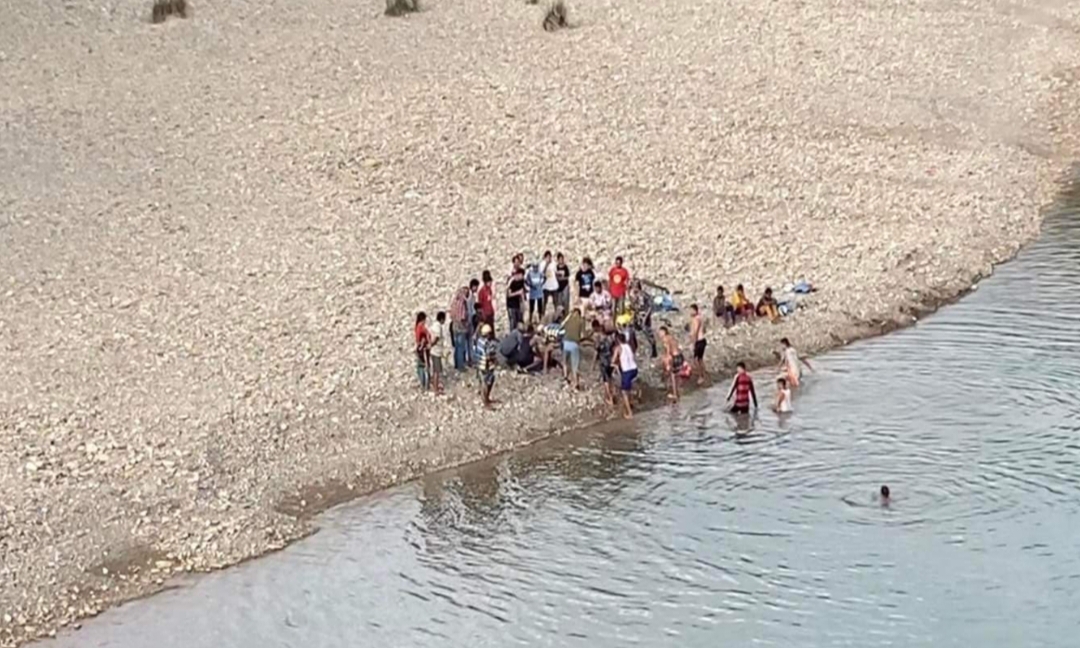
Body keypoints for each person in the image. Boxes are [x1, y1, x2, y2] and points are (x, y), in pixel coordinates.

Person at [613, 334, 638, 419]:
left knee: (624, 392)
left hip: (627, 371)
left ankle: (630, 413)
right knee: (628, 388)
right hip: (634, 369)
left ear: (618, 340)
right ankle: (631, 404)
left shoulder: (618, 348)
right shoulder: (628, 346)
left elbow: (613, 360)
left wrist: (614, 363)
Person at [658, 326, 685, 402]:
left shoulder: (665, 339)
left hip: (674, 357)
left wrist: (667, 362)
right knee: (677, 375)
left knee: (672, 376)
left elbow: (668, 351)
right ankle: (678, 392)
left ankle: (675, 394)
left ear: (664, 332)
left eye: (660, 332)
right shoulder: (671, 337)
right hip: (680, 356)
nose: (659, 334)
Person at [592, 320, 616, 406]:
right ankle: (613, 394)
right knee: (611, 378)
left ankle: (610, 398)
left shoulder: (599, 340)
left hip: (603, 361)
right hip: (610, 360)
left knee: (605, 380)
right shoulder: (610, 339)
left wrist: (593, 364)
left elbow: (596, 352)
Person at [562, 307, 585, 390]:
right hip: (574, 344)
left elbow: (561, 326)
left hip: (565, 343)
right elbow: (582, 335)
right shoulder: (581, 321)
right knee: (574, 365)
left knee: (565, 362)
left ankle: (565, 378)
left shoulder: (568, 320)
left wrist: (568, 316)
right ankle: (575, 383)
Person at [475, 324, 499, 408]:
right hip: (486, 365)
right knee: (487, 383)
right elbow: (489, 355)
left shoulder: (479, 341)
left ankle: (486, 399)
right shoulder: (487, 343)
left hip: (480, 364)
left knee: (484, 382)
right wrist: (495, 359)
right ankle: (486, 401)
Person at [449, 284, 471, 371]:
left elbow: (451, 314)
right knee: (461, 347)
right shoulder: (462, 303)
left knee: (457, 346)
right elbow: (463, 317)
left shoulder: (454, 301)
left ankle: (456, 363)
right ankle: (461, 365)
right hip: (461, 327)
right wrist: (466, 324)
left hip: (454, 325)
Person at [427, 312, 449, 394]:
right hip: (436, 351)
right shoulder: (438, 327)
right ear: (442, 319)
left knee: (435, 370)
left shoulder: (434, 325)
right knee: (437, 371)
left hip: (434, 351)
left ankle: (435, 385)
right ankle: (435, 389)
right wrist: (431, 345)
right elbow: (436, 338)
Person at [688, 303, 708, 385]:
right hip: (702, 340)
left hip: (699, 341)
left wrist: (693, 343)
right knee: (700, 359)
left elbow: (695, 332)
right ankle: (704, 375)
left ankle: (700, 376)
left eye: (691, 310)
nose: (690, 312)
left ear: (695, 310)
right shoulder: (700, 318)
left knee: (696, 360)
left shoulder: (696, 319)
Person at [414, 311, 432, 391]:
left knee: (420, 366)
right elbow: (427, 334)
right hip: (423, 347)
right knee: (424, 365)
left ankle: (423, 383)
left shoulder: (417, 327)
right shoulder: (421, 327)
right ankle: (425, 383)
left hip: (419, 347)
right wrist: (429, 343)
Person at [505, 266, 526, 333]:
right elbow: (509, 295)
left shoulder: (521, 281)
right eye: (521, 275)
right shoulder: (512, 282)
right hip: (511, 305)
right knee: (513, 321)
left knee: (519, 321)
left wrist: (523, 303)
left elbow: (522, 291)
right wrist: (518, 293)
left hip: (518, 304)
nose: (522, 277)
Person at [541, 250, 560, 314]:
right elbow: (542, 273)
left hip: (554, 286)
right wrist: (546, 264)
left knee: (555, 302)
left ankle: (557, 315)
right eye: (547, 257)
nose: (549, 258)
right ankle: (542, 315)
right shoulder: (542, 264)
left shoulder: (553, 264)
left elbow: (555, 272)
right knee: (544, 302)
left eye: (550, 257)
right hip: (546, 286)